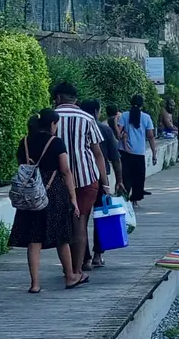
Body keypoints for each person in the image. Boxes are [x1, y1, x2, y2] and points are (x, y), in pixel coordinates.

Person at [9, 109, 89, 292]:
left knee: (34, 239)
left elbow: (22, 165)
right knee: (61, 237)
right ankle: (70, 276)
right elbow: (65, 171)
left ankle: (35, 284)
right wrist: (73, 198)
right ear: (52, 124)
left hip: (31, 194)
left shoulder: (25, 141)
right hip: (53, 193)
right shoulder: (56, 142)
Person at [53, 82, 109, 279]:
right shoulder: (87, 118)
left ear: (58, 98)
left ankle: (66, 268)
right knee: (81, 222)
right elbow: (98, 154)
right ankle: (77, 270)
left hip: (57, 179)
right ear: (75, 99)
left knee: (63, 223)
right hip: (87, 178)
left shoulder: (51, 117)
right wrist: (105, 182)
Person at [79, 99, 124, 269]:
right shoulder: (104, 129)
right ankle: (98, 255)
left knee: (80, 219)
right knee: (101, 217)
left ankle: (84, 258)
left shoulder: (78, 127)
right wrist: (119, 181)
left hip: (81, 178)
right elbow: (115, 158)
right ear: (97, 111)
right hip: (101, 178)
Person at [118, 95, 157, 207]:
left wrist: (123, 136)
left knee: (126, 176)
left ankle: (124, 199)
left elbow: (118, 132)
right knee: (138, 177)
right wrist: (154, 153)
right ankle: (134, 200)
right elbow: (150, 136)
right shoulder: (146, 117)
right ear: (142, 105)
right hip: (139, 152)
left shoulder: (124, 116)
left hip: (124, 151)